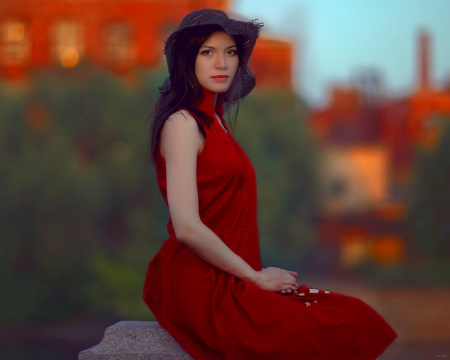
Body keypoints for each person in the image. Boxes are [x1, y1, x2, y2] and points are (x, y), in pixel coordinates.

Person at [143, 9, 397, 360]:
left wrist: (254, 275)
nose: (222, 62)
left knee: (354, 315)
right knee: (324, 329)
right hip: (199, 281)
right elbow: (186, 227)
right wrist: (255, 277)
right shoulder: (183, 122)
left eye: (230, 52)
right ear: (188, 60)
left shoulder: (217, 121)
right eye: (208, 52)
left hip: (235, 273)